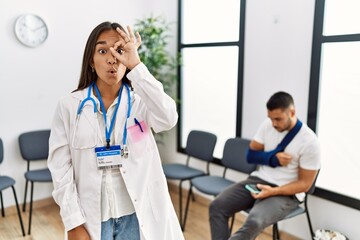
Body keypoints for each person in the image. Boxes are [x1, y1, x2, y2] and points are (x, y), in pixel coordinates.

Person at [47, 21, 184, 240]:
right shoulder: (70, 106)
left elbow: (168, 118)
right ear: (91, 61)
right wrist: (73, 223)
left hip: (137, 216)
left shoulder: (141, 102)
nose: (112, 59)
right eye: (102, 51)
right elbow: (60, 168)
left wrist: (137, 66)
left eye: (119, 51)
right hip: (93, 218)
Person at [209, 91, 321, 240]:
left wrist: (272, 192)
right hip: (258, 180)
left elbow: (305, 185)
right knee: (217, 206)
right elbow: (251, 155)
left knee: (254, 221)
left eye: (278, 119)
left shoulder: (310, 142)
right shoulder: (268, 125)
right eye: (270, 118)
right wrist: (272, 159)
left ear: (292, 112)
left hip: (287, 192)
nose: (274, 123)